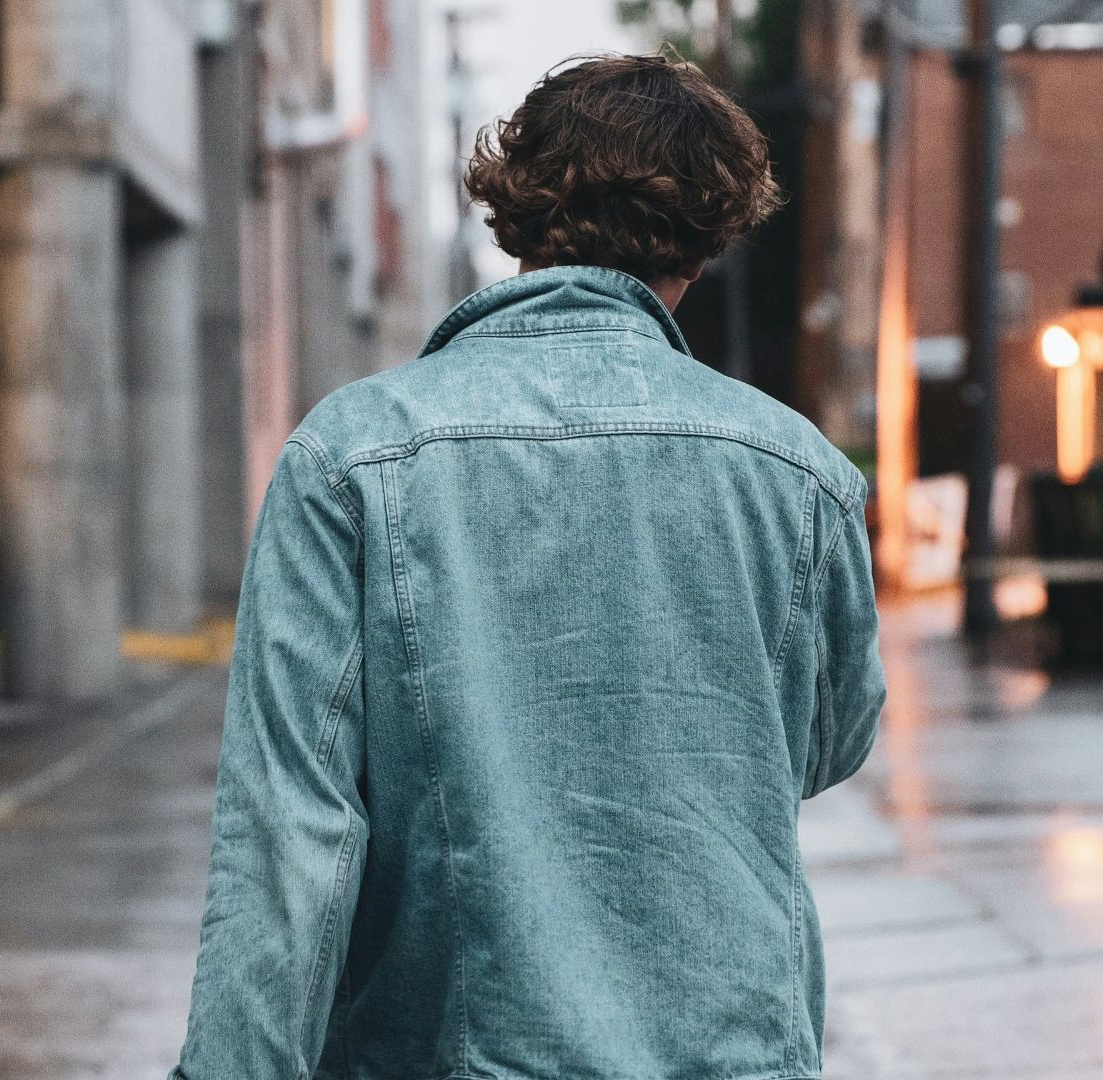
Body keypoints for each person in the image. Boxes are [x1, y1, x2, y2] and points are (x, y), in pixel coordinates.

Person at [171, 51, 886, 1080]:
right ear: (715, 230)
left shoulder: (352, 456)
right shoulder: (799, 474)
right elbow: (827, 741)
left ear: (517, 209)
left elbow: (291, 833)